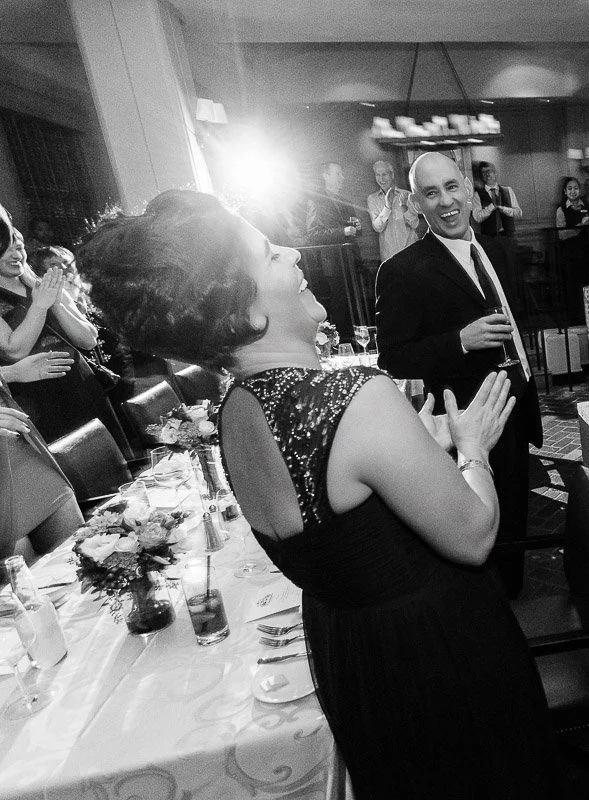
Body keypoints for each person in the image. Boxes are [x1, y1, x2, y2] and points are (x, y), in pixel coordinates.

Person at [76, 189, 559, 800]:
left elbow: (341, 526)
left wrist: (419, 454)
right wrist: (473, 450)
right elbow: (474, 535)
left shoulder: (236, 408)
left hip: (352, 652)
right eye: (268, 254)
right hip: (436, 651)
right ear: (238, 304)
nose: (294, 254)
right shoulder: (352, 398)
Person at [376, 153, 541, 599]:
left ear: (468, 189)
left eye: (451, 187)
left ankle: (515, 599)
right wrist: (459, 341)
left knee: (516, 518)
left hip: (517, 404)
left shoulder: (498, 251)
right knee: (480, 530)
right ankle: (488, 611)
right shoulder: (401, 271)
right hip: (468, 426)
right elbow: (392, 358)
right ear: (416, 204)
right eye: (431, 193)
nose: (446, 201)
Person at [0, 222, 127, 449]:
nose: (16, 255)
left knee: (111, 453)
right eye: (6, 249)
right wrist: (40, 305)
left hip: (81, 381)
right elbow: (14, 350)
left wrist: (56, 303)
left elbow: (88, 339)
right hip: (36, 395)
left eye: (19, 248)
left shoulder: (44, 284)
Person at [0, 209, 81, 563]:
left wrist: (6, 376)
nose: (14, 249)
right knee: (23, 576)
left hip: (14, 433)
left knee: (76, 551)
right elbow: (13, 348)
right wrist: (12, 373)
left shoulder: (29, 281)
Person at [555, 177, 589, 322]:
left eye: (575, 188)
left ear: (579, 190)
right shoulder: (561, 209)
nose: (573, 191)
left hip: (587, 252)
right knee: (572, 288)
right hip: (570, 254)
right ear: (565, 191)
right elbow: (561, 234)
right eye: (569, 189)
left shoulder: (587, 205)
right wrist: (580, 226)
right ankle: (575, 320)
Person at [367, 160, 425, 262]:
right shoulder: (372, 199)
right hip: (389, 257)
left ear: (392, 174)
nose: (381, 179)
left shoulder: (406, 195)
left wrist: (404, 208)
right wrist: (387, 207)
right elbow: (377, 228)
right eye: (378, 175)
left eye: (384, 174)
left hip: (411, 253)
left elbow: (415, 224)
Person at [304, 161, 362, 246]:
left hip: (350, 253)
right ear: (326, 177)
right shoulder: (316, 202)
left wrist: (358, 228)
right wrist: (343, 232)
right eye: (338, 174)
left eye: (342, 174)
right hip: (332, 253)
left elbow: (357, 233)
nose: (342, 177)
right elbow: (313, 235)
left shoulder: (347, 203)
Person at [471, 161, 523, 240]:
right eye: (484, 172)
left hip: (509, 236)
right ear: (481, 176)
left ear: (495, 173)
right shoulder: (477, 195)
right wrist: (491, 207)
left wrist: (504, 209)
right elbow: (477, 218)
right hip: (489, 238)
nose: (487, 175)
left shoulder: (508, 190)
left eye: (489, 171)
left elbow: (518, 213)